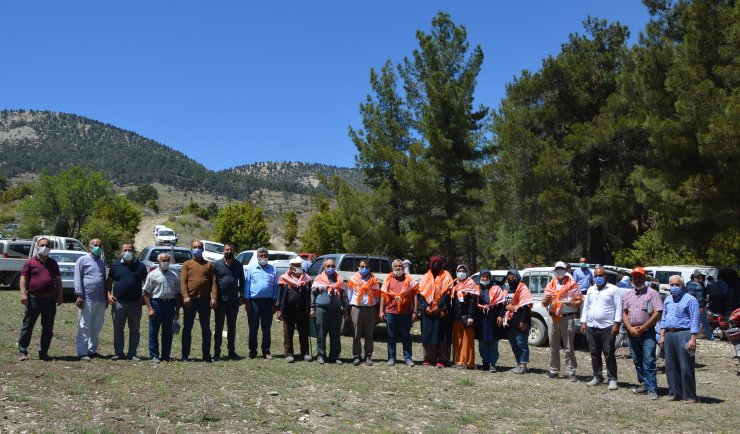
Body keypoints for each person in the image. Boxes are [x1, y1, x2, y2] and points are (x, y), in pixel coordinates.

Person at [17, 237, 63, 361]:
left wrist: (60, 295)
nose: (44, 247)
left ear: (50, 248)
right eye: (42, 245)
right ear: (37, 246)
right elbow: (23, 278)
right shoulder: (30, 262)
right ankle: (22, 351)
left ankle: (44, 352)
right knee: (28, 325)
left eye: (47, 245)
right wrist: (23, 293)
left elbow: (58, 280)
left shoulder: (53, 263)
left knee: (48, 328)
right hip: (34, 299)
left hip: (50, 300)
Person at [622, 267, 664, 400]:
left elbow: (658, 312)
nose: (637, 279)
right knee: (636, 359)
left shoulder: (652, 293)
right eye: (634, 277)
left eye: (639, 276)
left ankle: (652, 388)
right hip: (632, 332)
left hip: (647, 332)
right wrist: (630, 328)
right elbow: (624, 313)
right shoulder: (628, 295)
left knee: (649, 359)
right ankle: (643, 383)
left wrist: (643, 327)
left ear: (644, 278)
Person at [580, 266, 622, 390]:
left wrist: (616, 324)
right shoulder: (590, 290)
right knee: (594, 353)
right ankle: (597, 377)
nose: (598, 278)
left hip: (607, 327)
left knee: (609, 353)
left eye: (600, 275)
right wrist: (583, 322)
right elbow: (586, 306)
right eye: (596, 275)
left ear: (605, 276)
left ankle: (612, 379)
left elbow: (618, 307)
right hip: (592, 326)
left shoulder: (613, 289)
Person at [660, 275, 700, 403]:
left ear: (682, 286)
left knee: (685, 366)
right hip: (669, 335)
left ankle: (689, 395)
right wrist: (662, 335)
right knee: (670, 365)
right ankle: (674, 393)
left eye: (677, 284)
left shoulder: (690, 300)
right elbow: (664, 319)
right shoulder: (667, 300)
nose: (674, 287)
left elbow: (695, 320)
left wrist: (693, 338)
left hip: (684, 334)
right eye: (672, 285)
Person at [106, 243, 148, 361]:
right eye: (125, 250)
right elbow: (109, 282)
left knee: (134, 330)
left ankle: (132, 353)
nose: (127, 252)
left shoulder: (140, 266)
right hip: (118, 303)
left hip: (135, 303)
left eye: (130, 250)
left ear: (133, 251)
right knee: (118, 329)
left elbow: (147, 283)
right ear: (121, 251)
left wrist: (144, 297)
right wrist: (109, 295)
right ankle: (119, 353)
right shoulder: (115, 265)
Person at [543, 261, 583, 381]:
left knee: (569, 346)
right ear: (555, 270)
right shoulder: (550, 284)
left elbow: (579, 300)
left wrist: (572, 303)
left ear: (566, 270)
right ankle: (554, 369)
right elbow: (545, 302)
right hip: (553, 317)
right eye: (557, 268)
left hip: (567, 316)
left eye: (562, 268)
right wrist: (546, 299)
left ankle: (571, 371)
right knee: (553, 345)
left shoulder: (573, 284)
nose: (559, 270)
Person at [180, 240, 218, 362]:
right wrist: (185, 296)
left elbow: (214, 283)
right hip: (190, 301)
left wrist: (214, 297)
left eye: (199, 247)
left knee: (206, 329)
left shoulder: (209, 265)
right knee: (187, 328)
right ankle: (185, 355)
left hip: (205, 301)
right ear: (191, 249)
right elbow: (183, 282)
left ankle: (206, 355)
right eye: (195, 247)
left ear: (203, 249)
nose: (197, 249)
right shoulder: (187, 264)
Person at [380, 259, 419, 367]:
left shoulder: (409, 280)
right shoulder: (388, 280)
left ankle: (408, 358)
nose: (398, 268)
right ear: (393, 268)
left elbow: (415, 296)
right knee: (391, 336)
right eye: (396, 266)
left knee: (406, 336)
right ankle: (391, 358)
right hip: (390, 312)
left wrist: (415, 311)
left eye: (400, 266)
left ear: (403, 268)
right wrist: (381, 311)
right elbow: (383, 296)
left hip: (405, 313)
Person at [143, 252, 180, 362]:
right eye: (163, 260)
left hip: (170, 305)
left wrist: (177, 310)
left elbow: (178, 293)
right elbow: (146, 293)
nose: (165, 262)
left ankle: (165, 355)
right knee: (154, 331)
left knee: (168, 332)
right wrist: (150, 308)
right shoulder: (152, 274)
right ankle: (154, 355)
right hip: (156, 304)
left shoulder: (174, 275)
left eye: (167, 260)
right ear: (158, 261)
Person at [416, 256, 453, 367]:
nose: (436, 264)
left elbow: (448, 293)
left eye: (438, 262)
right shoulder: (426, 276)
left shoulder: (447, 276)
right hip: (427, 311)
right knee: (428, 335)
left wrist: (439, 306)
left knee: (442, 336)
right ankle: (429, 359)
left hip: (441, 312)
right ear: (430, 264)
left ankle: (442, 360)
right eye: (434, 262)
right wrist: (425, 306)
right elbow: (420, 293)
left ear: (441, 264)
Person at [74, 238, 107, 361]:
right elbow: (78, 278)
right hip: (87, 298)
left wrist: (106, 298)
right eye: (95, 245)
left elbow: (103, 280)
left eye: (100, 245)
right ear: (89, 247)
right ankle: (82, 352)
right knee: (84, 325)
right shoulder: (82, 260)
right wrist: (79, 295)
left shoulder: (102, 262)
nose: (98, 247)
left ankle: (92, 350)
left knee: (96, 326)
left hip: (100, 299)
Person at [243, 247, 279, 359]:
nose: (263, 257)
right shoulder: (251, 269)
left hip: (268, 302)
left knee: (266, 328)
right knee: (253, 328)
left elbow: (275, 287)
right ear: (257, 257)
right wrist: (247, 302)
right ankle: (252, 351)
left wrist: (274, 303)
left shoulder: (273, 269)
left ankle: (266, 351)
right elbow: (247, 286)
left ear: (268, 257)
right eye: (261, 255)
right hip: (254, 302)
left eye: (265, 255)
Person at [212, 243, 245, 360]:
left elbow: (242, 281)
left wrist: (241, 296)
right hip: (220, 301)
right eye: (227, 249)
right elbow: (213, 283)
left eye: (231, 249)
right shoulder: (216, 265)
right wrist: (213, 298)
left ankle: (231, 351)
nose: (229, 251)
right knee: (219, 327)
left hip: (233, 301)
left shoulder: (238, 265)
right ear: (223, 251)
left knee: (232, 327)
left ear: (234, 251)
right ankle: (216, 352)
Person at [346, 259, 380, 366]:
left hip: (369, 309)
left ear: (369, 268)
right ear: (358, 268)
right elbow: (349, 295)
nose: (364, 269)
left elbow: (377, 296)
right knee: (356, 334)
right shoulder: (353, 279)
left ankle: (368, 356)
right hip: (356, 309)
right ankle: (357, 356)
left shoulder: (374, 280)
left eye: (366, 267)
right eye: (362, 267)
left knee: (369, 334)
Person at [278, 256, 312, 363]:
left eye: (300, 265)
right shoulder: (283, 278)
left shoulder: (307, 279)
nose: (299, 267)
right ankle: (288, 354)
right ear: (291, 267)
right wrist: (279, 309)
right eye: (296, 265)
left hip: (303, 309)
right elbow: (279, 295)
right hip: (288, 309)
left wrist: (311, 309)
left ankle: (305, 353)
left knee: (303, 331)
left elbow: (310, 295)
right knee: (288, 332)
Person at [312, 258, 346, 364]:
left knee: (335, 334)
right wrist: (312, 308)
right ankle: (321, 355)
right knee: (321, 333)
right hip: (321, 309)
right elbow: (313, 294)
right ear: (324, 267)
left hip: (336, 310)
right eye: (328, 266)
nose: (330, 268)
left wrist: (345, 309)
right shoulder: (318, 279)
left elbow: (344, 296)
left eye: (332, 266)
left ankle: (334, 356)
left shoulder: (339, 280)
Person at [476, 269, 507, 372]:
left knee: (493, 342)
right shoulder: (476, 289)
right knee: (482, 341)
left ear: (490, 278)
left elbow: (502, 304)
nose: (485, 279)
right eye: (483, 277)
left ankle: (492, 363)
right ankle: (485, 362)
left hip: (493, 318)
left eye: (487, 277)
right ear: (480, 277)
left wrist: (500, 316)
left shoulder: (497, 289)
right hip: (481, 319)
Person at [503, 269, 533, 374]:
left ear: (517, 277)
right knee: (514, 343)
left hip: (521, 320)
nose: (511, 280)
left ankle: (524, 365)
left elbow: (526, 306)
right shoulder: (507, 290)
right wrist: (506, 308)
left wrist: (524, 321)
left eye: (513, 278)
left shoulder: (523, 289)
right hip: (510, 321)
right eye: (509, 278)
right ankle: (518, 364)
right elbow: (504, 304)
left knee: (521, 343)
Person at [450, 264, 478, 369]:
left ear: (467, 272)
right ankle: (458, 361)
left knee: (467, 340)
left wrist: (471, 316)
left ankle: (467, 362)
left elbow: (473, 302)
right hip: (456, 316)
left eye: (463, 270)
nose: (461, 272)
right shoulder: (453, 284)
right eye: (459, 270)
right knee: (457, 340)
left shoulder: (471, 284)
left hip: (467, 316)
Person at [686, 270, 713, 340]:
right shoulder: (698, 286)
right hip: (697, 306)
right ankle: (710, 336)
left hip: (688, 306)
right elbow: (700, 298)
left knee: (690, 321)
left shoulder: (687, 284)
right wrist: (701, 307)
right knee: (704, 322)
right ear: (699, 276)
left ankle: (689, 336)